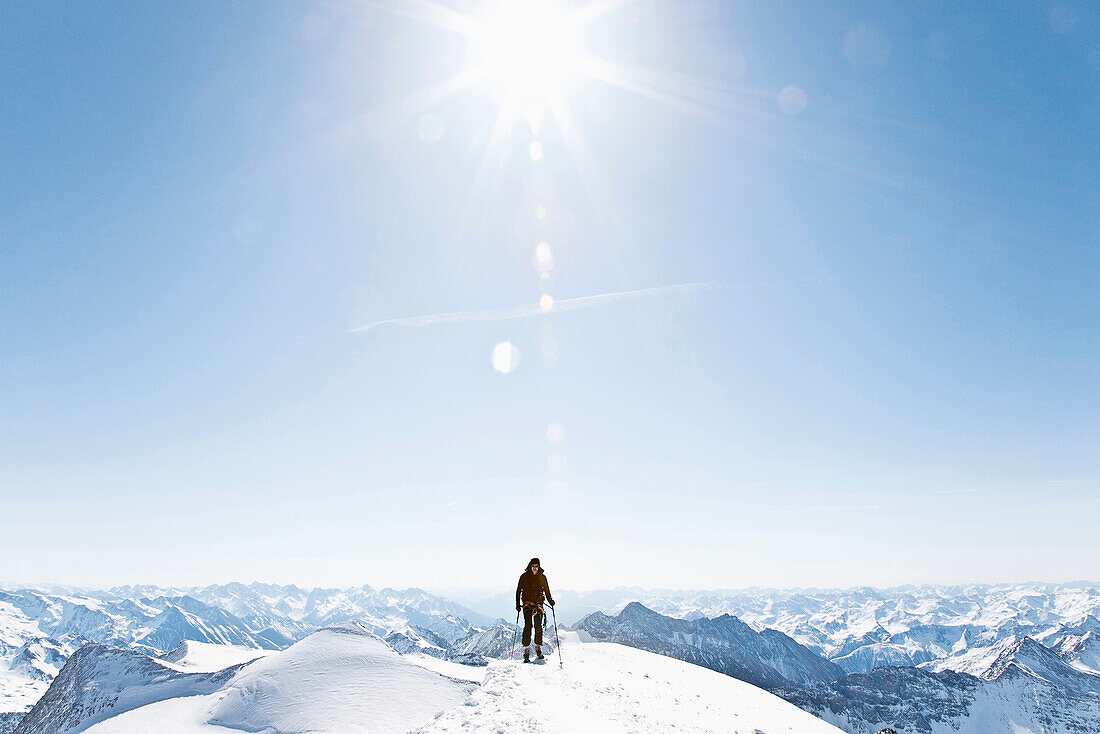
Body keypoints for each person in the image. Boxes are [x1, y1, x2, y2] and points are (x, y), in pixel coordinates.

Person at [515, 557, 555, 662]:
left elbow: (546, 589)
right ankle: (526, 650)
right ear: (530, 566)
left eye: (536, 566)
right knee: (528, 625)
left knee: (537, 626)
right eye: (533, 566)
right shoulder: (524, 577)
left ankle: (537, 648)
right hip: (528, 605)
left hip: (537, 605)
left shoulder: (542, 577)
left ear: (538, 567)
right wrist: (517, 604)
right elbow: (518, 590)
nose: (535, 568)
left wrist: (550, 599)